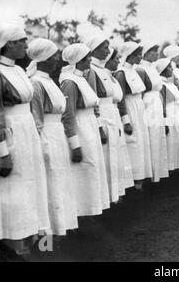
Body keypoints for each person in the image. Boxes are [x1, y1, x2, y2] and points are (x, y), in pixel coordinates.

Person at [0, 24, 50, 256]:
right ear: (9, 44)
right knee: (15, 186)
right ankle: (14, 242)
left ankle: (33, 238)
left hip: (27, 129)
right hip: (11, 132)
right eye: (22, 41)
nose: (26, 46)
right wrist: (3, 152)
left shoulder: (20, 71)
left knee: (32, 183)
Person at [27, 38, 78, 237]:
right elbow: (37, 118)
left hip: (58, 135)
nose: (57, 59)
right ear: (45, 59)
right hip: (48, 136)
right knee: (50, 186)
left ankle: (60, 231)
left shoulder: (50, 81)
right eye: (54, 56)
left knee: (60, 183)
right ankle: (46, 241)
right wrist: (42, 145)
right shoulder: (36, 83)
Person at [60, 43, 110, 217]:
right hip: (81, 128)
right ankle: (80, 213)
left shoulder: (82, 78)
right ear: (77, 60)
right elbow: (68, 114)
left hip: (90, 125)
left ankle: (93, 210)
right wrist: (75, 145)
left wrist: (99, 127)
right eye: (86, 57)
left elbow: (94, 107)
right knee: (85, 167)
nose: (90, 59)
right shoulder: (69, 82)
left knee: (93, 167)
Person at [84, 35, 127, 203]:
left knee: (115, 155)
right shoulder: (91, 70)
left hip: (112, 113)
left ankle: (114, 194)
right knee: (105, 155)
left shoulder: (105, 71)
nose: (107, 51)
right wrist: (99, 125)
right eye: (104, 47)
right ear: (93, 50)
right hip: (102, 115)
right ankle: (105, 196)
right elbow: (93, 99)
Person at [114, 42, 153, 185]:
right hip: (130, 109)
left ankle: (141, 179)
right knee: (133, 144)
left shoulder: (137, 71)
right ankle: (132, 180)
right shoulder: (121, 73)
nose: (140, 57)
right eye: (137, 54)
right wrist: (126, 120)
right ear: (128, 55)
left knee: (142, 143)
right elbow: (120, 98)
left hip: (139, 108)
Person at [137, 43, 169, 182]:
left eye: (157, 52)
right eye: (153, 51)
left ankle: (158, 173)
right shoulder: (140, 69)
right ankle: (149, 175)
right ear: (146, 53)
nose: (156, 54)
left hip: (156, 102)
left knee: (158, 136)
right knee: (151, 137)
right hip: (148, 104)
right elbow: (142, 91)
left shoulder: (153, 68)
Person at [104, 48, 134, 191]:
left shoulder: (113, 77)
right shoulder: (110, 75)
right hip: (106, 116)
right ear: (108, 60)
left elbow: (120, 99)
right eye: (115, 59)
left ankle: (119, 190)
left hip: (115, 115)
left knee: (119, 151)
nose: (118, 61)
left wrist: (123, 119)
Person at [156, 58, 179, 171]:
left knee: (178, 139)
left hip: (176, 115)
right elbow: (163, 105)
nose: (171, 69)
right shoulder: (162, 85)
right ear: (163, 69)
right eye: (169, 67)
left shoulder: (170, 84)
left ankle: (178, 164)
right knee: (170, 141)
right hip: (169, 116)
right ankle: (170, 167)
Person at [163, 45, 179, 165]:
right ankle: (174, 163)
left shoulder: (178, 70)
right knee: (175, 133)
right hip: (173, 105)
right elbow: (173, 87)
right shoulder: (168, 70)